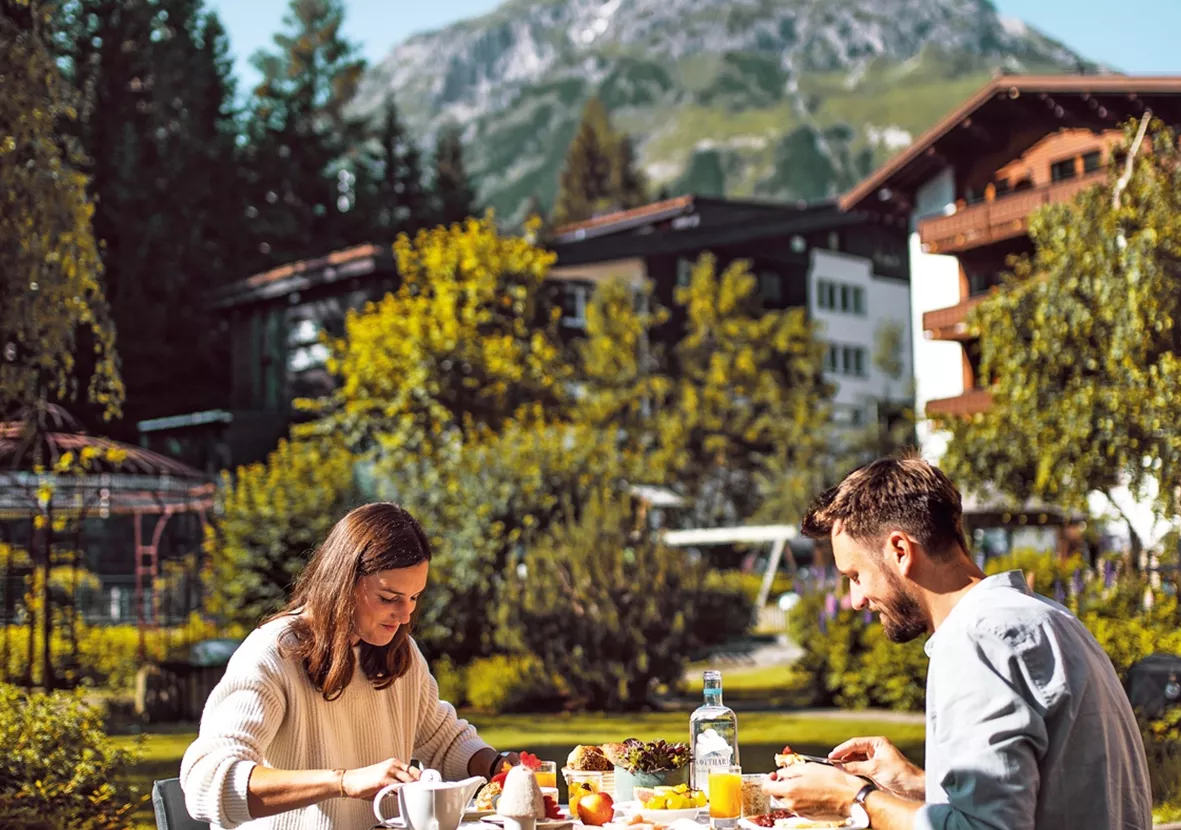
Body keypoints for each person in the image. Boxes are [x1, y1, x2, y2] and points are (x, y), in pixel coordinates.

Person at [764, 454, 1152, 830]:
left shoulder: (975, 642)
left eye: (855, 574)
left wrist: (855, 799)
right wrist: (917, 784)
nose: (855, 600)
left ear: (900, 551)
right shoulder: (1046, 617)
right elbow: (1042, 796)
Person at [181, 503, 519, 830]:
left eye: (414, 597)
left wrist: (497, 766)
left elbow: (443, 740)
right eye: (389, 598)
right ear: (343, 583)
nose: (404, 616)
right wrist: (343, 782)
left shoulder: (400, 653)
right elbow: (208, 783)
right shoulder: (273, 654)